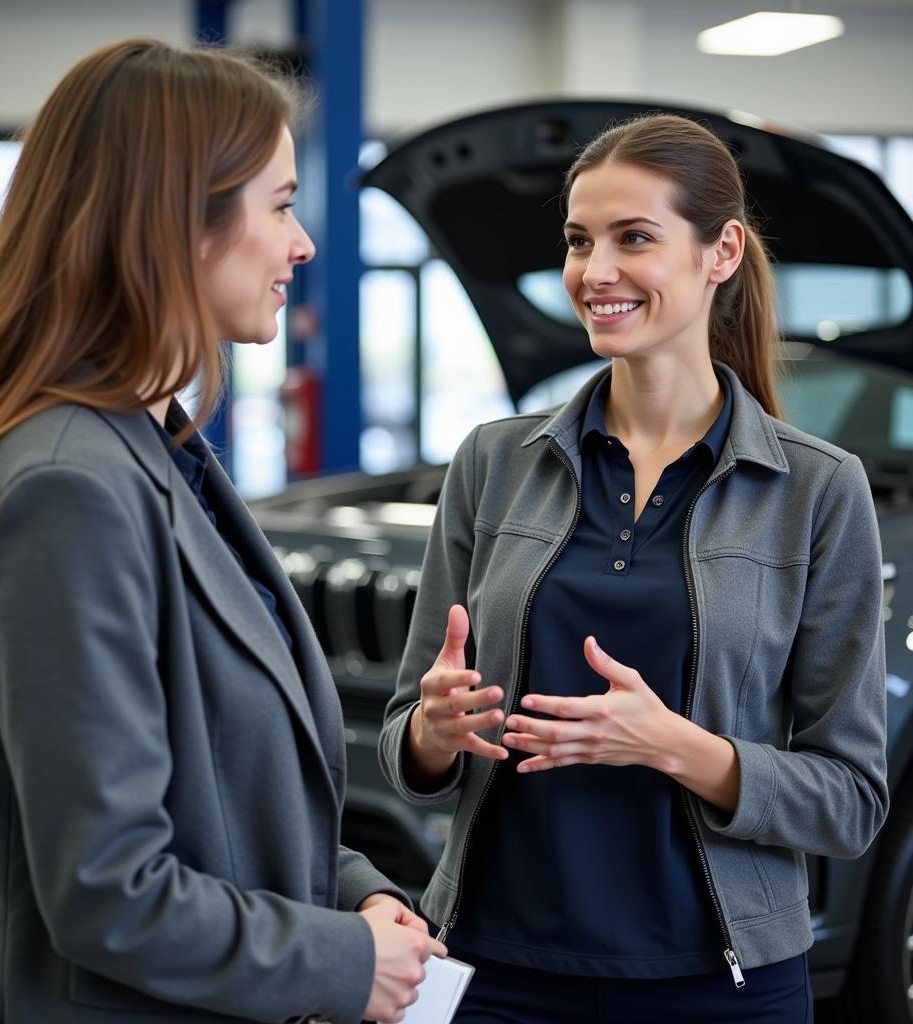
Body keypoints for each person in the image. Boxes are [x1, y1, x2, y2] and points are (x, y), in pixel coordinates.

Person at [0, 38, 445, 1024]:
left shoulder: (158, 451)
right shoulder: (70, 487)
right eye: (279, 204)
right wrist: (340, 957)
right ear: (180, 224)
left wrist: (354, 889)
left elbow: (226, 788)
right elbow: (108, 889)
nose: (302, 242)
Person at [379, 113, 889, 1024]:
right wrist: (433, 729)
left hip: (720, 984)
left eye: (634, 238)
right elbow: (405, 743)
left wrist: (670, 745)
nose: (594, 272)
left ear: (721, 251)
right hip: (496, 968)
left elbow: (850, 803)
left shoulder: (817, 488)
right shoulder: (492, 463)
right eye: (579, 241)